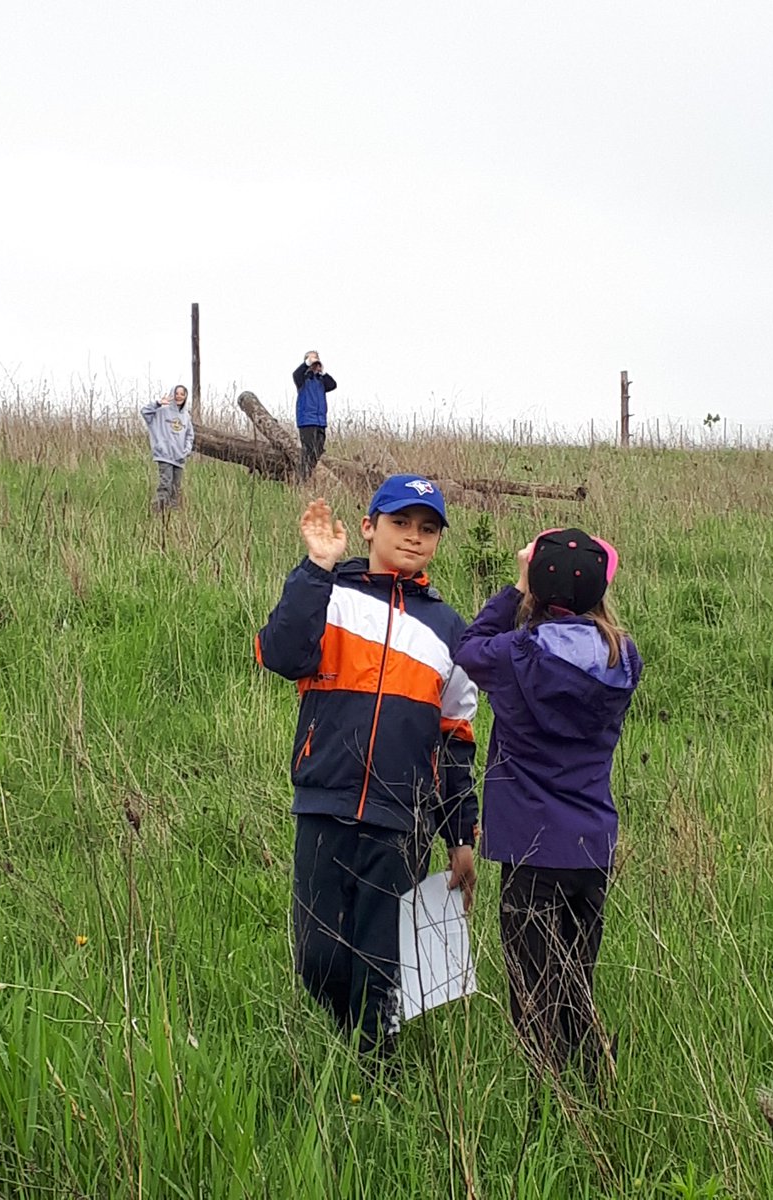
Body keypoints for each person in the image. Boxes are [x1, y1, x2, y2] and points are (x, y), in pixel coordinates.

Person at [255, 475, 479, 1055]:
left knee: (383, 967)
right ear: (368, 527)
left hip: (403, 821)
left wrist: (461, 836)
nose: (413, 537)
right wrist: (315, 569)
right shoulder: (329, 592)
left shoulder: (450, 630)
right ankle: (345, 1045)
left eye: (427, 529)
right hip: (325, 803)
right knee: (317, 958)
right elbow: (280, 654)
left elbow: (456, 740)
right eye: (401, 523)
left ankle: (378, 1079)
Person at [453, 528, 642, 1084]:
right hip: (591, 850)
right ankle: (597, 1090)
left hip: (530, 850)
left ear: (536, 587)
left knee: (532, 992)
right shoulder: (623, 658)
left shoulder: (515, 655)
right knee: (577, 982)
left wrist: (514, 589)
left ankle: (547, 1103)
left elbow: (468, 647)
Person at [140, 384, 195, 511]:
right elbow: (144, 412)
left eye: (182, 394)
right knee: (165, 485)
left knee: (176, 488)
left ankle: (173, 516)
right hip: (164, 456)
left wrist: (186, 451)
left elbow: (189, 435)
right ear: (172, 394)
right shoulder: (161, 411)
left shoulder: (186, 416)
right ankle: (158, 513)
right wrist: (158, 403)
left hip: (179, 458)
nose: (179, 396)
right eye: (177, 393)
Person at [293, 351, 336, 481]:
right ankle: (301, 480)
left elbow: (333, 385)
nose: (315, 361)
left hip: (320, 421)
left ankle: (307, 477)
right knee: (308, 451)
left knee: (317, 451)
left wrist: (321, 371)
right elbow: (296, 374)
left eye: (316, 358)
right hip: (307, 420)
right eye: (312, 359)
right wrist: (308, 364)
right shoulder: (303, 380)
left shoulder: (321, 380)